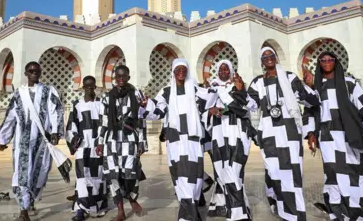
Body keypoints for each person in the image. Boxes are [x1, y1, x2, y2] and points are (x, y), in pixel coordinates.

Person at [307, 51, 363, 220]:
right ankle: (338, 211)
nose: (327, 62)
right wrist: (311, 134)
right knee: (332, 172)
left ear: (336, 62)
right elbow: (312, 111)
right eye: (323, 60)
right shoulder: (316, 86)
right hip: (328, 136)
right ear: (319, 63)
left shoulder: (349, 83)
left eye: (330, 60)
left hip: (349, 133)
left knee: (354, 171)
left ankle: (358, 210)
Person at [247, 47, 319, 221]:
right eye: (265, 57)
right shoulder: (257, 82)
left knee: (293, 172)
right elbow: (250, 105)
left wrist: (307, 88)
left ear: (276, 57)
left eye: (271, 55)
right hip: (269, 134)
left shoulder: (290, 77)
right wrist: (241, 91)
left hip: (290, 132)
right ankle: (283, 208)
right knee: (275, 173)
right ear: (261, 62)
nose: (269, 58)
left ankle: (294, 215)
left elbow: (311, 101)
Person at [144, 58, 217, 221]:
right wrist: (146, 105)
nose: (181, 72)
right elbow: (158, 112)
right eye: (178, 69)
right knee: (180, 178)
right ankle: (189, 216)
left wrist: (211, 91)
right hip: (175, 141)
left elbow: (208, 105)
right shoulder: (166, 92)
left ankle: (188, 215)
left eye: (184, 69)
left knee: (195, 178)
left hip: (193, 141)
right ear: (173, 72)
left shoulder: (196, 89)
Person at [0, 61, 64, 221]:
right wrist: (3, 138)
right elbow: (10, 117)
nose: (34, 73)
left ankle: (30, 199)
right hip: (22, 141)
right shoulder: (18, 94)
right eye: (31, 71)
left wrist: (55, 131)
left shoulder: (48, 91)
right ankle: (23, 210)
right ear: (26, 73)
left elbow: (56, 111)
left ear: (40, 72)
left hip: (42, 141)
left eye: (37, 70)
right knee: (22, 174)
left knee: (40, 172)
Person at [205, 60, 258, 220]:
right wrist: (210, 112)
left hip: (237, 134)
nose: (223, 71)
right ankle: (230, 207)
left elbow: (252, 107)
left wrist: (241, 93)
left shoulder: (239, 86)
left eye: (226, 68)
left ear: (231, 70)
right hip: (218, 135)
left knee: (233, 172)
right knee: (222, 173)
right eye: (220, 69)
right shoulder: (211, 90)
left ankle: (237, 214)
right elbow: (203, 111)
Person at [96, 65, 147, 221]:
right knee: (113, 175)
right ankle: (120, 210)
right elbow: (103, 121)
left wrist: (142, 142)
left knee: (131, 174)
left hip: (130, 139)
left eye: (124, 76)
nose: (121, 79)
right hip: (111, 141)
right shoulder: (106, 97)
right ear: (115, 78)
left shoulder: (136, 95)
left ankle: (132, 199)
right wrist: (100, 142)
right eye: (118, 76)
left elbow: (141, 120)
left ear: (128, 78)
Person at [66, 76, 108, 220]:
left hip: (97, 146)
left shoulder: (102, 104)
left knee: (97, 177)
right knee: (82, 178)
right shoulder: (77, 104)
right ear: (83, 87)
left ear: (95, 87)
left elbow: (105, 123)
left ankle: (96, 207)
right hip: (82, 147)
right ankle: (80, 209)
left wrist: (101, 141)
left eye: (92, 86)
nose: (90, 89)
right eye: (87, 86)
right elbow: (71, 124)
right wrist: (74, 139)